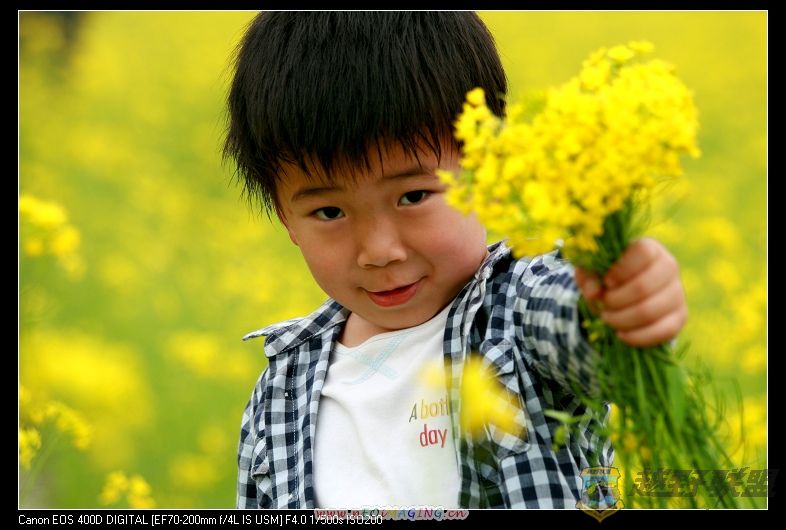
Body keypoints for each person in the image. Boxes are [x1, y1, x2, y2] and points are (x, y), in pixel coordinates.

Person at [223, 12, 687, 509]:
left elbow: (590, 336)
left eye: (413, 196)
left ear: (489, 168)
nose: (379, 251)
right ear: (286, 218)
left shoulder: (516, 311)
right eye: (330, 212)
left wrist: (622, 300)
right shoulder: (279, 390)